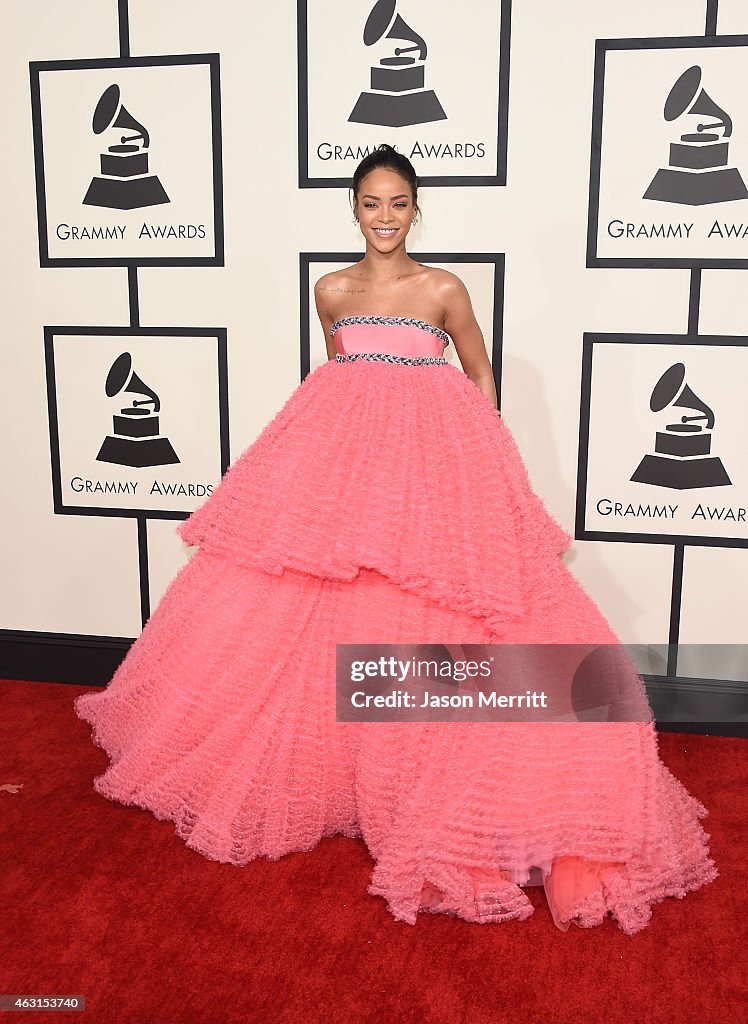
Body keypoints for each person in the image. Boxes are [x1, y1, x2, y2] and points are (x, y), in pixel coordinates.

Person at [75, 144, 717, 935]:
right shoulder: (332, 291)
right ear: (354, 208)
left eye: (400, 203)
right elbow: (341, 381)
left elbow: (478, 374)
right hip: (350, 478)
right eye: (372, 203)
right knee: (325, 606)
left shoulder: (443, 288)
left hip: (439, 473)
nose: (385, 217)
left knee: (455, 613)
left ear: (417, 209)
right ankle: (349, 768)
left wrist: (485, 460)